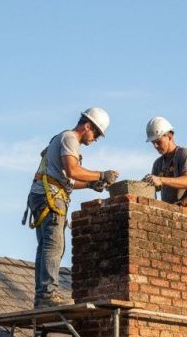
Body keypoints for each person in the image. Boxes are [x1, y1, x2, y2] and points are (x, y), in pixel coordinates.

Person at [26, 107, 119, 307]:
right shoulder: (70, 139)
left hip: (43, 193)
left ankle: (42, 295)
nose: (95, 139)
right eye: (96, 134)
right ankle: (48, 295)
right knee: (54, 245)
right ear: (87, 125)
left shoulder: (63, 139)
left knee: (45, 246)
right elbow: (73, 170)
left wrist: (90, 184)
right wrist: (101, 175)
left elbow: (68, 179)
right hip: (50, 196)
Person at [142, 116, 187, 313]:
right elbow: (153, 189)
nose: (156, 145)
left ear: (169, 135)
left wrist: (161, 180)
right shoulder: (158, 164)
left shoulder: (184, 155)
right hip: (170, 216)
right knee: (170, 258)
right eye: (153, 143)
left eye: (158, 141)